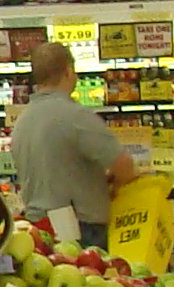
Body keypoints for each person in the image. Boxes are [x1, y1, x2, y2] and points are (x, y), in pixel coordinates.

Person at [7, 41, 138, 247]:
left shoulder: (23, 120)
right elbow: (124, 166)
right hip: (80, 227)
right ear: (69, 71)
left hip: (38, 225)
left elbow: (55, 167)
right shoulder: (76, 116)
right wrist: (115, 189)